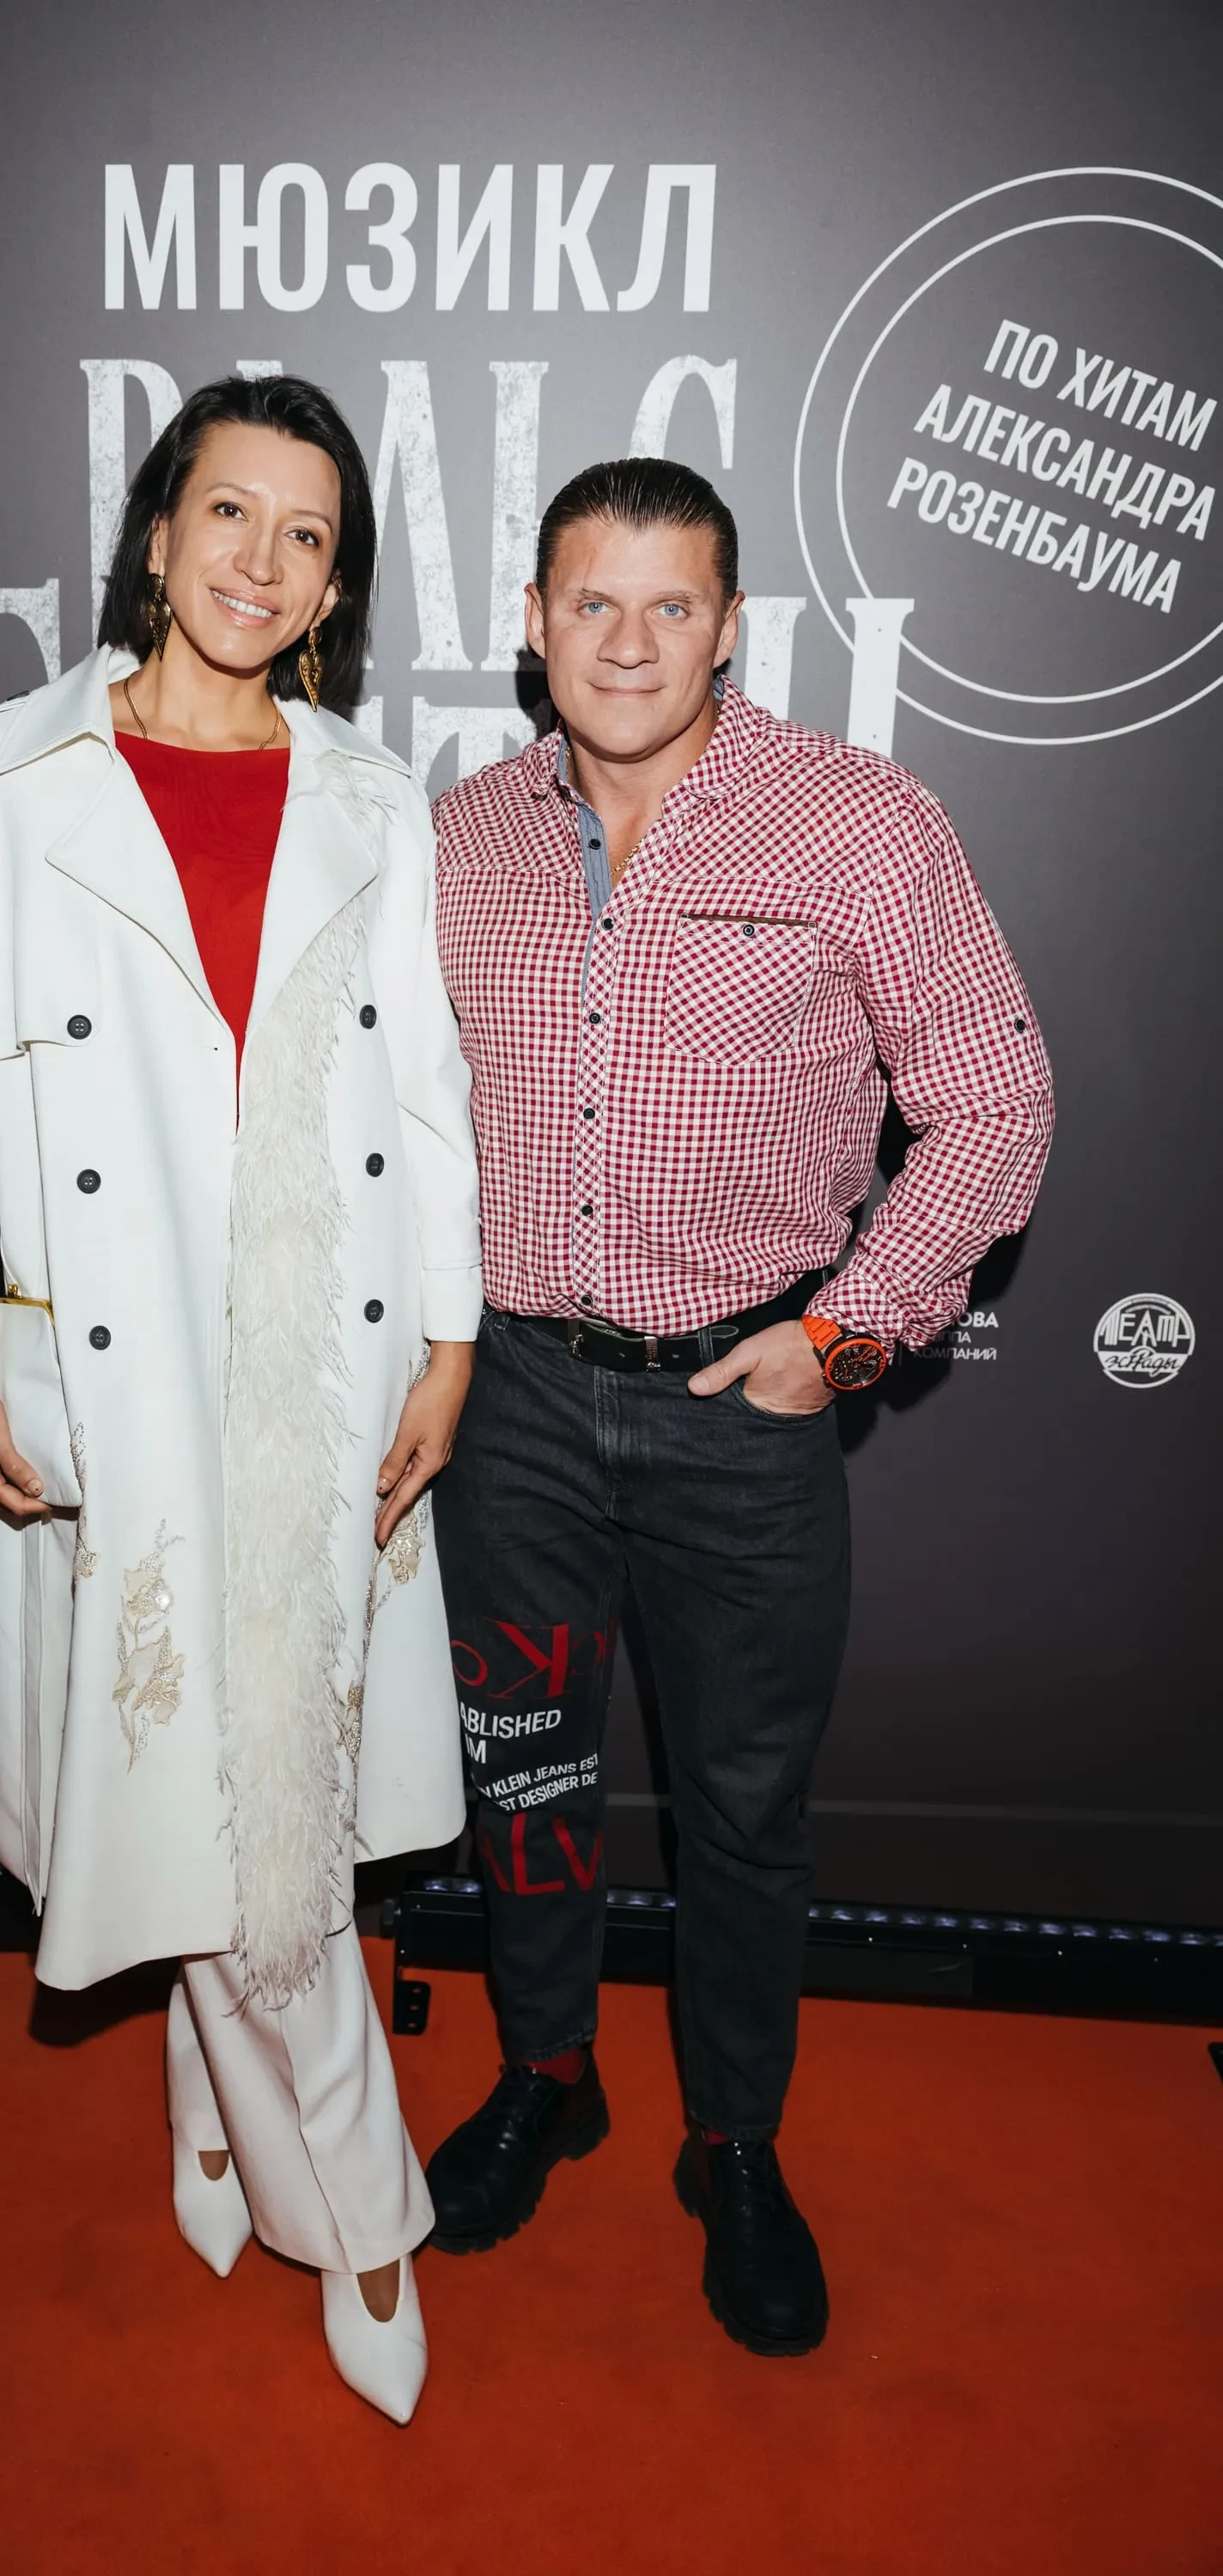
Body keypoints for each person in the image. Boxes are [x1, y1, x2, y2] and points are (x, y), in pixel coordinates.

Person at [0, 374, 480, 2423]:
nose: (261, 560)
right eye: (229, 513)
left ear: (334, 588)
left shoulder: (373, 796)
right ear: (155, 535)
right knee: (205, 1782)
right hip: (115, 1357)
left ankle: (217, 2113)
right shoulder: (0, 774)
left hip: (324, 1362)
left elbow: (425, 1087)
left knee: (266, 1786)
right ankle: (367, 2212)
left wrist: (453, 1335)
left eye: (307, 535)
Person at [424, 457, 1053, 2354]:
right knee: (526, 1777)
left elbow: (996, 1100)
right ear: (532, 624)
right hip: (516, 1408)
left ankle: (735, 2144)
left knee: (747, 1814)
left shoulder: (856, 822)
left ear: (729, 628)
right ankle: (548, 2073)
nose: (627, 642)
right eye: (590, 603)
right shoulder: (461, 837)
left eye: (670, 605)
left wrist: (843, 1336)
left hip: (741, 1419)